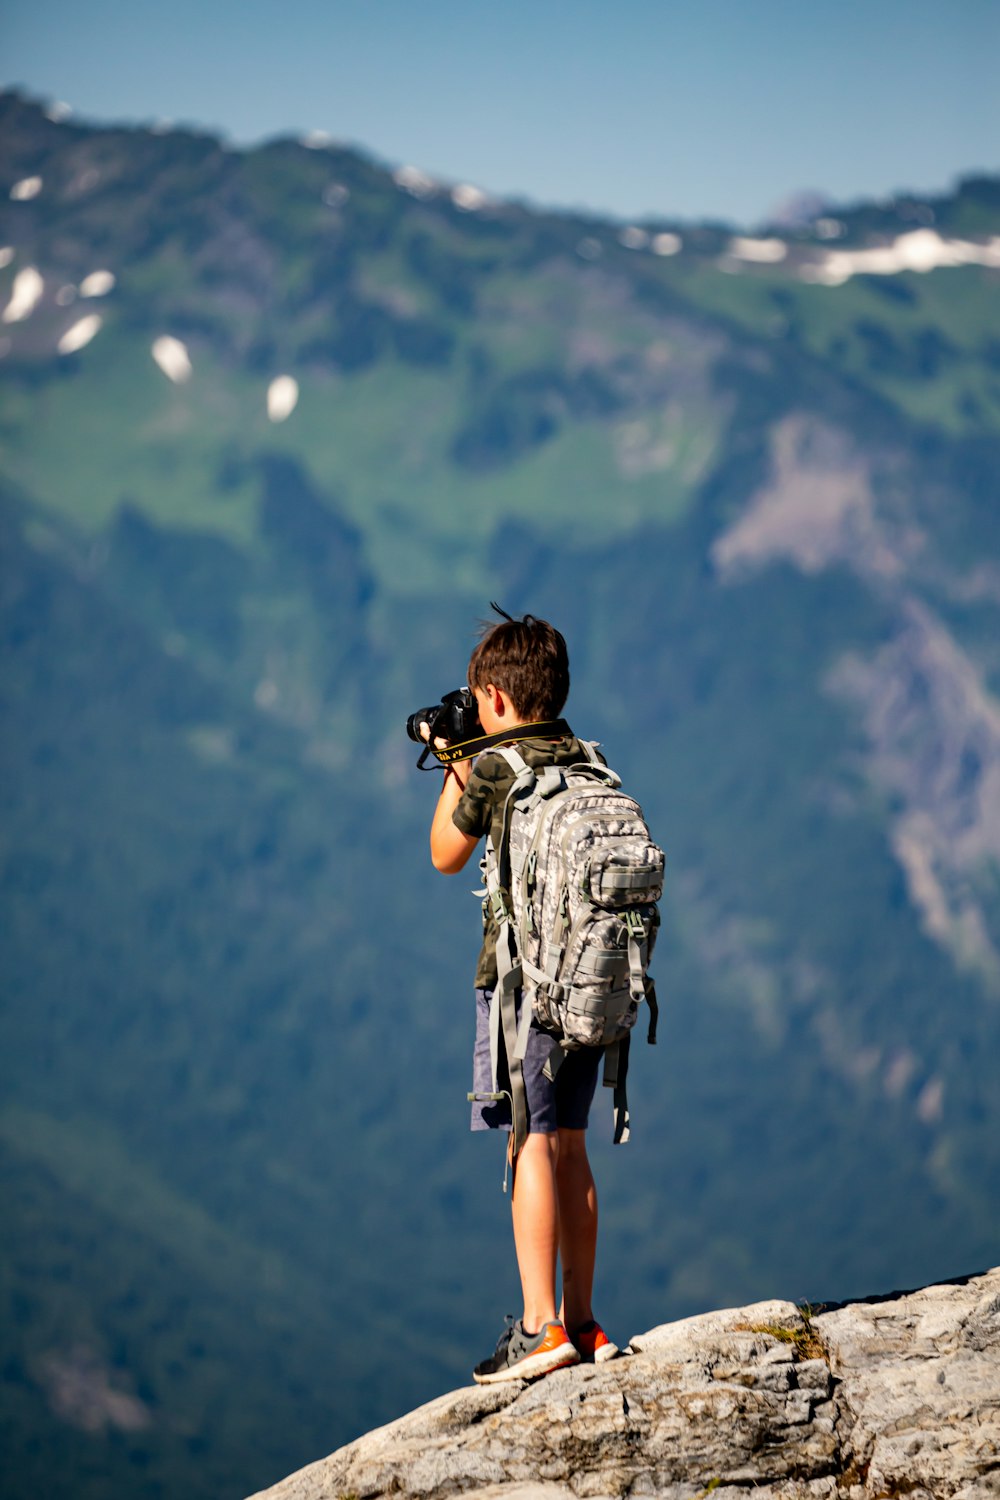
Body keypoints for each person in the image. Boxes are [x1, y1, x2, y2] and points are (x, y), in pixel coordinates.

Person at [425, 612, 619, 1385]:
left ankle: (540, 1328)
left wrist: (453, 760)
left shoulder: (498, 766)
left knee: (529, 1142)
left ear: (495, 699)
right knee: (570, 1143)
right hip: (592, 988)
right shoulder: (586, 756)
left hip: (525, 986)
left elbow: (445, 853)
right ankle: (582, 1320)